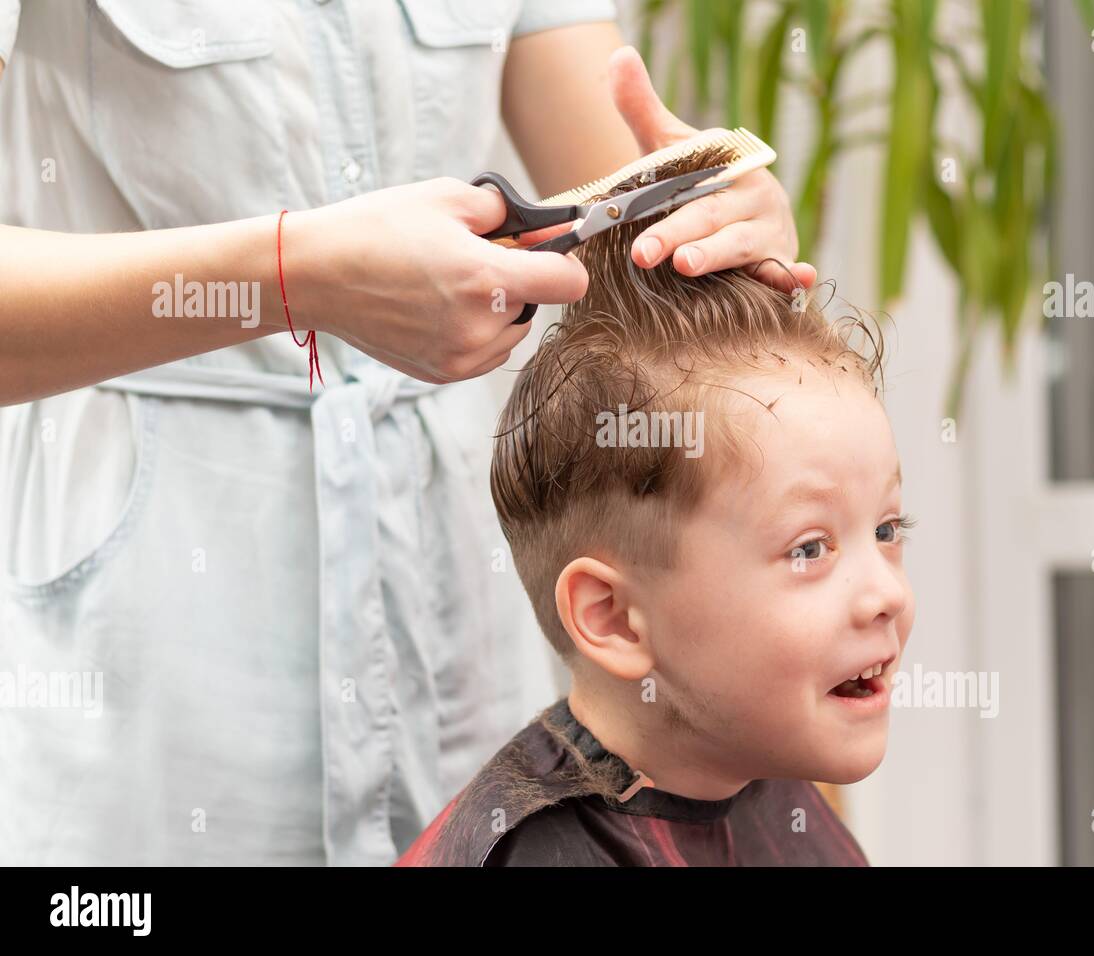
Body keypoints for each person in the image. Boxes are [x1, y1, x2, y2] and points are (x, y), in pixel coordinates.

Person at [0, 3, 814, 865]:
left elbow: (623, 207)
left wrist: (718, 218)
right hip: (156, 624)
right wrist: (290, 275)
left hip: (459, 589)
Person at [396, 145, 915, 867]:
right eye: (809, 548)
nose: (886, 593)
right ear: (612, 616)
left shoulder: (776, 794)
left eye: (887, 530)